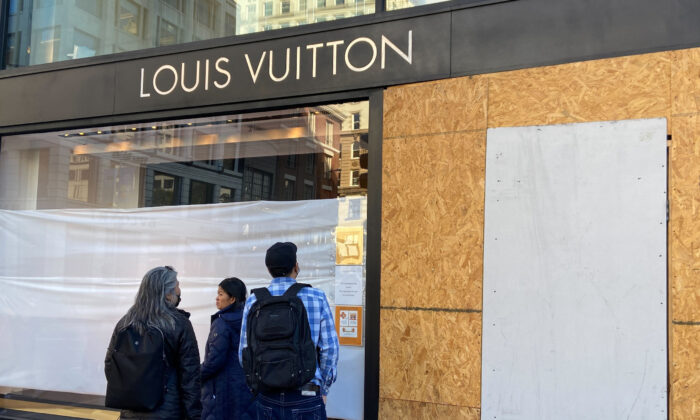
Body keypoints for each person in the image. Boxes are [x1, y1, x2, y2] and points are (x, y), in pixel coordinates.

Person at [239, 242, 340, 419]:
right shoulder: (316, 297)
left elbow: (244, 352)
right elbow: (330, 349)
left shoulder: (254, 300)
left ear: (269, 269)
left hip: (267, 394)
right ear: (296, 266)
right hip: (307, 393)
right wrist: (322, 387)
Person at [105, 266, 202, 419]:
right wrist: (193, 416)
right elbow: (190, 377)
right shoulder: (178, 324)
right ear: (167, 294)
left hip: (130, 411)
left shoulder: (125, 323)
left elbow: (110, 364)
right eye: (177, 285)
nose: (179, 290)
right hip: (168, 411)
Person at [200, 277, 254, 420]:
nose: (216, 298)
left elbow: (214, 361)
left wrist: (195, 375)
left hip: (222, 390)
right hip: (245, 387)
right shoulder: (250, 319)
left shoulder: (222, 323)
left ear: (232, 299)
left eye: (221, 294)